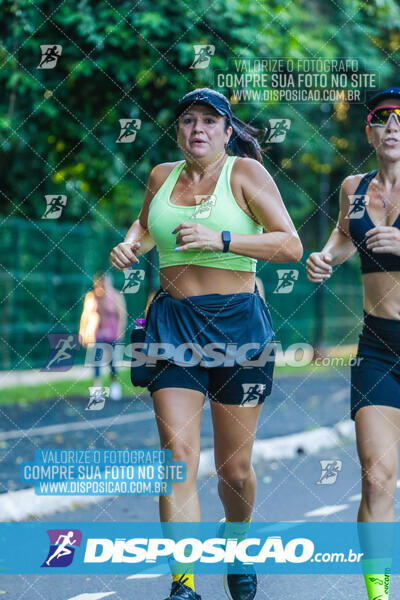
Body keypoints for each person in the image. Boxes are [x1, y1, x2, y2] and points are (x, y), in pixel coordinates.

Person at [110, 87, 302, 600]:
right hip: (172, 326)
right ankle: (184, 583)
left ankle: (236, 539)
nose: (198, 129)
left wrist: (222, 240)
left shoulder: (246, 175)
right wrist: (132, 244)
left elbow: (290, 243)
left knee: (233, 469)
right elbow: (147, 226)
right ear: (177, 129)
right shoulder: (160, 176)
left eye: (209, 121)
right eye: (188, 120)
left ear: (227, 130)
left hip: (237, 326)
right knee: (177, 457)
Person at [306, 87, 400, 600]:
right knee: (377, 477)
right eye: (383, 117)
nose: (393, 126)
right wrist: (326, 256)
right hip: (379, 347)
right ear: (369, 130)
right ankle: (379, 595)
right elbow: (345, 236)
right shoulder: (353, 188)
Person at [79, 272, 127, 401]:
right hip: (96, 334)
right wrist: (83, 332)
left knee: (112, 362)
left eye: (105, 282)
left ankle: (114, 383)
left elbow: (122, 316)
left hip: (112, 334)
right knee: (96, 361)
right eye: (100, 282)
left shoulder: (116, 296)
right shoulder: (91, 297)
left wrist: (120, 332)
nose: (102, 285)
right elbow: (85, 316)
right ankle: (97, 387)